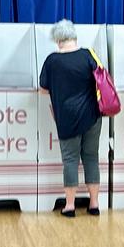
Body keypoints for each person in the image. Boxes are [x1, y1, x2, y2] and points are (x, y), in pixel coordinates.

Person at [39, 19, 102, 218]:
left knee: (70, 160)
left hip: (67, 116)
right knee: (91, 158)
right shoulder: (88, 55)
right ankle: (94, 204)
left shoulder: (52, 61)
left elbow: (43, 88)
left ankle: (70, 205)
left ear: (57, 40)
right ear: (74, 36)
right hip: (92, 116)